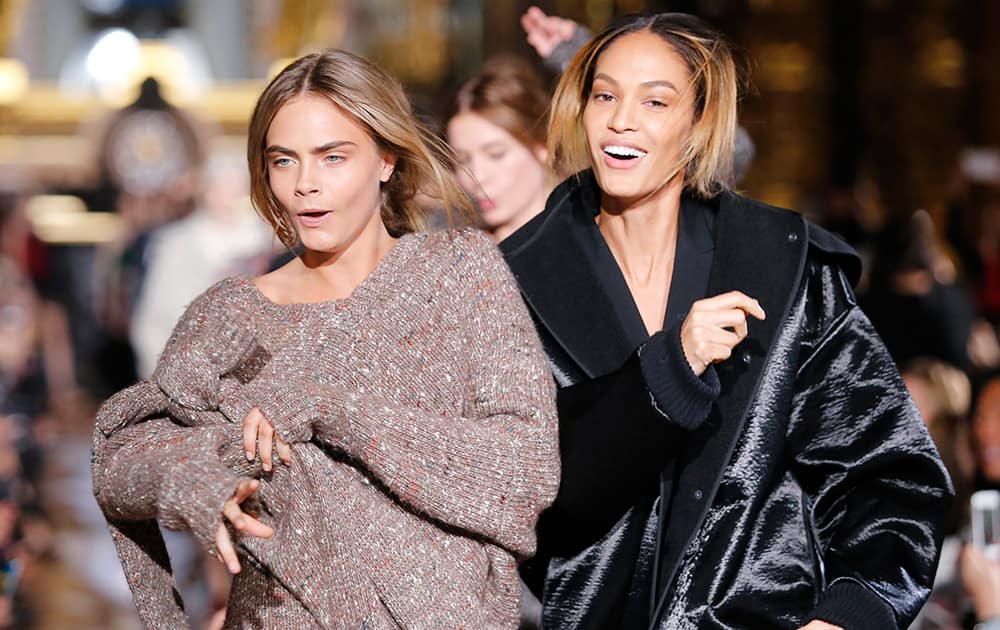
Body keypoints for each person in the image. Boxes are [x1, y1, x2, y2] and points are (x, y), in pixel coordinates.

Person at [498, 12, 953, 629]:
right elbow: (520, 497)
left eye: (655, 101)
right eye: (604, 95)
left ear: (698, 122)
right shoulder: (515, 281)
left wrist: (849, 615)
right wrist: (669, 372)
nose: (621, 119)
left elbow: (891, 476)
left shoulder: (782, 266)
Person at [91, 49, 559, 628]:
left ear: (386, 158)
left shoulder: (458, 275)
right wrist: (199, 472)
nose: (305, 185)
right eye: (283, 161)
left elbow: (524, 467)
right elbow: (121, 453)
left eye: (332, 157)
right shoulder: (232, 314)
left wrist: (334, 408)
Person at [446, 57, 554, 243]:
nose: (477, 177)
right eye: (462, 160)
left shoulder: (594, 238)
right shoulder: (458, 258)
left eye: (496, 155)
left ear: (541, 147)